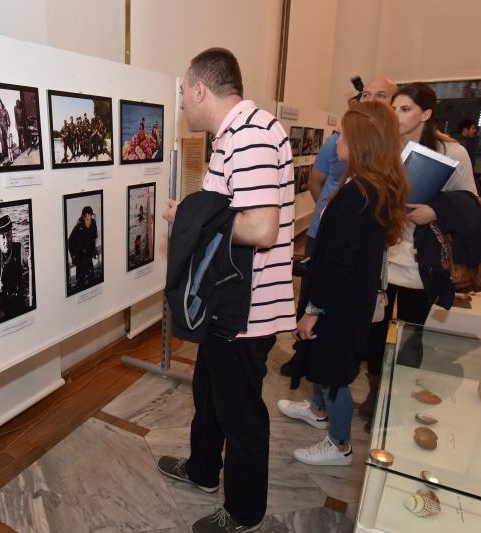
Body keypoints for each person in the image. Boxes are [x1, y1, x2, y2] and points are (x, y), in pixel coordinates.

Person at [156, 48, 295, 533]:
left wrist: (188, 219)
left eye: (182, 95)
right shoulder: (234, 135)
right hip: (230, 302)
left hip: (247, 310)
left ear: (199, 89)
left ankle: (244, 512)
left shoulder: (252, 134)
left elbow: (260, 228)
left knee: (240, 415)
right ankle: (202, 470)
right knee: (209, 393)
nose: (182, 107)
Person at [277, 101, 408, 466]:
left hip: (339, 304)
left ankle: (339, 445)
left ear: (361, 141)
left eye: (342, 133)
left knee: (335, 374)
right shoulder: (373, 187)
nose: (335, 140)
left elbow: (338, 263)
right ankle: (317, 411)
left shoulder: (358, 195)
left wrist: (312, 311)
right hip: (350, 300)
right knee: (325, 362)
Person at [364, 82, 477, 420]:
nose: (395, 116)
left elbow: (471, 202)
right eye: (393, 108)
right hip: (384, 257)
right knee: (375, 328)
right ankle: (375, 394)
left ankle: (396, 399)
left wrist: (435, 211)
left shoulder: (452, 153)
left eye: (405, 109)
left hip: (422, 260)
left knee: (411, 334)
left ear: (426, 114)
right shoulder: (384, 148)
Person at [67, 206, 99, 290]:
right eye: (87, 219)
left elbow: (94, 238)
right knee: (80, 280)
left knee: (91, 276)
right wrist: (73, 256)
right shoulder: (78, 228)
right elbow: (70, 242)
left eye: (90, 219)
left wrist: (94, 249)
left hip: (88, 254)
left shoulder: (93, 223)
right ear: (83, 217)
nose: (89, 221)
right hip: (80, 255)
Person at [0, 98, 12, 164]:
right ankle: (5, 154)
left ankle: (8, 153)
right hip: (1, 127)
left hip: (6, 127)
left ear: (2, 103)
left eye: (0, 104)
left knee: (7, 140)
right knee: (3, 140)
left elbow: (8, 119)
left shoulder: (5, 110)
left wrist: (9, 127)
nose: (0, 105)